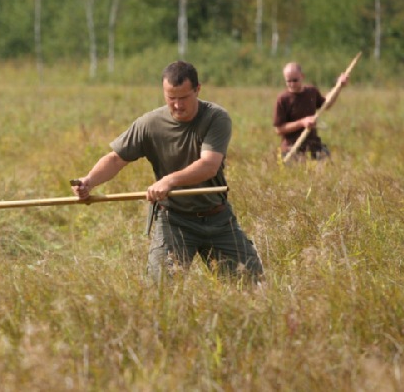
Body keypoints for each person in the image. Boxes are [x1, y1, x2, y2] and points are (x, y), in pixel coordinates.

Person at [72, 61, 263, 283]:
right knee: (160, 292)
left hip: (217, 218)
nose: (177, 105)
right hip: (174, 220)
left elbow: (209, 165)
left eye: (183, 98)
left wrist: (169, 181)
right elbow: (116, 159)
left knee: (252, 285)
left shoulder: (216, 118)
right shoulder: (150, 124)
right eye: (171, 98)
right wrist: (88, 182)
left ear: (197, 89)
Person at [273, 62, 349, 160]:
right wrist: (302, 123)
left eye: (295, 80)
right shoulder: (283, 99)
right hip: (291, 149)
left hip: (313, 146)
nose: (292, 84)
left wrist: (339, 86)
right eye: (288, 81)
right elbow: (279, 129)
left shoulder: (311, 92)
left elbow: (326, 105)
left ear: (302, 76)